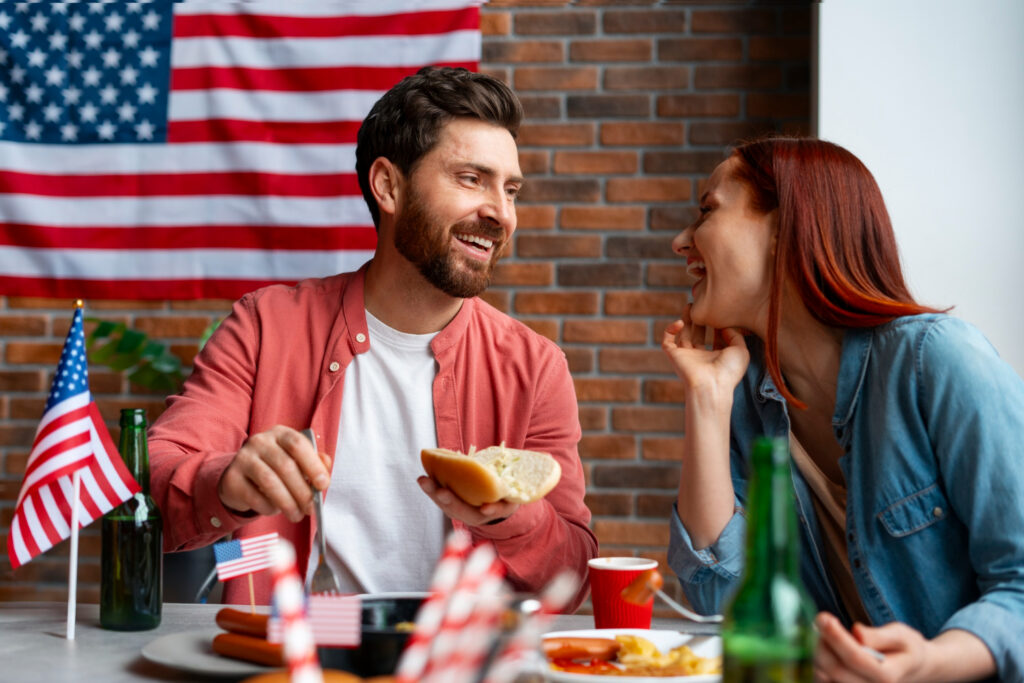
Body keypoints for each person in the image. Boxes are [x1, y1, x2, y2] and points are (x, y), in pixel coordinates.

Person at [148, 67, 596, 608]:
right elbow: (156, 476)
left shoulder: (537, 367)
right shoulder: (267, 326)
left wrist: (510, 512)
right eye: (471, 179)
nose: (501, 213)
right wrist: (227, 480)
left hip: (453, 660)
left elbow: (571, 577)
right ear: (388, 185)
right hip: (295, 653)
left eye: (511, 190)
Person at [663, 137, 1024, 681]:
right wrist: (707, 401)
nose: (681, 242)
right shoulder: (744, 395)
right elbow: (722, 600)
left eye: (707, 211)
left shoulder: (938, 362)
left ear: (786, 228)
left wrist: (929, 661)